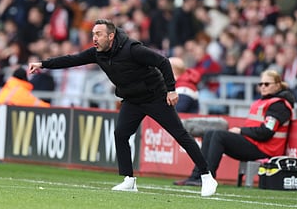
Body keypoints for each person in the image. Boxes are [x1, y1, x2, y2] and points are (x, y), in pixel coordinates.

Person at [28, 19, 218, 196]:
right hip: (132, 99)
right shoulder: (97, 53)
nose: (94, 38)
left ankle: (207, 176)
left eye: (99, 34)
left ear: (110, 36)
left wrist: (171, 90)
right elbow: (71, 59)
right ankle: (129, 180)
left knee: (180, 134)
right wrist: (42, 64)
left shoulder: (132, 49)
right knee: (121, 134)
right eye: (93, 33)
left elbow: (163, 62)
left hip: (155, 97)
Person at [174, 69, 294, 186]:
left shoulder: (279, 106)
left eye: (267, 84)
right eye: (260, 84)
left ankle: (208, 177)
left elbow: (266, 132)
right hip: (254, 143)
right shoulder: (266, 101)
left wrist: (241, 131)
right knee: (209, 133)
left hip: (265, 149)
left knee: (218, 135)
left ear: (278, 85)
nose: (263, 86)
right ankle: (196, 176)